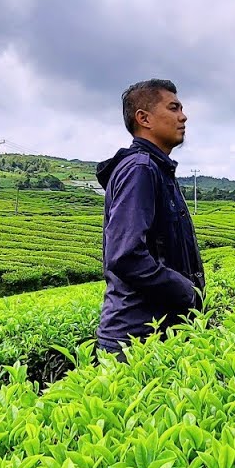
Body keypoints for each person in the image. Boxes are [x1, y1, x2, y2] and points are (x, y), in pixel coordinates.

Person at [95, 78, 205, 362]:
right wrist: (186, 290)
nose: (183, 116)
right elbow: (125, 255)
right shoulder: (140, 169)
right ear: (143, 118)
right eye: (173, 108)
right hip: (137, 339)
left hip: (157, 332)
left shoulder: (156, 169)